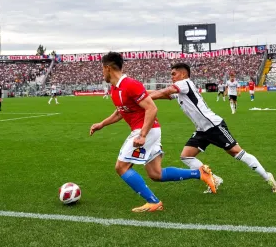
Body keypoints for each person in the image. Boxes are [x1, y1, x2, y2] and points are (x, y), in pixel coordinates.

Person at [89, 52, 217, 213]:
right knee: (156, 174)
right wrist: (102, 124)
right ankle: (200, 173)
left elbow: (152, 108)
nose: (102, 72)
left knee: (121, 167)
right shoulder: (116, 89)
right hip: (150, 131)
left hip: (146, 131)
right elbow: (120, 112)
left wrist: (142, 135)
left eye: (102, 69)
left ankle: (153, 202)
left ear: (107, 68)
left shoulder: (130, 84)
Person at [149, 63, 276, 193]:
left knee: (236, 152)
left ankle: (267, 176)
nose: (171, 77)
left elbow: (165, 91)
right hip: (202, 129)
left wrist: (142, 97)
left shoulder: (185, 83)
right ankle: (214, 179)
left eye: (174, 74)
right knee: (186, 156)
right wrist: (139, 94)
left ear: (183, 74)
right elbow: (163, 95)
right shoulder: (180, 89)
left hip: (214, 126)